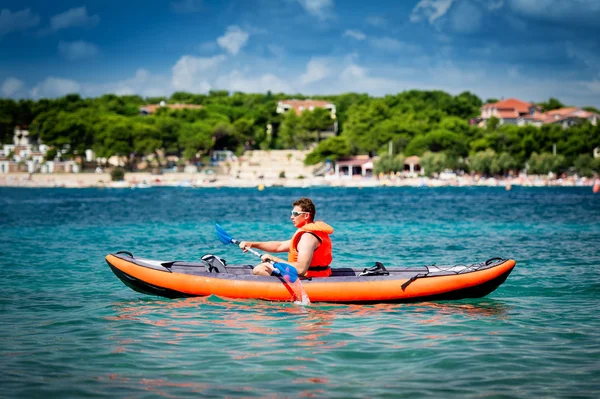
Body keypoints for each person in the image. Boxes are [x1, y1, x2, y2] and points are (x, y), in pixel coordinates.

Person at [239, 197, 334, 278]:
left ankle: (279, 293)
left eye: (295, 214)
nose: (291, 217)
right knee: (263, 267)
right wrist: (252, 244)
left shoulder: (308, 238)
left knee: (260, 269)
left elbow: (301, 269)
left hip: (310, 277)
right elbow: (279, 246)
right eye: (292, 213)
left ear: (306, 215)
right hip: (315, 274)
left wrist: (273, 259)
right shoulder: (308, 234)